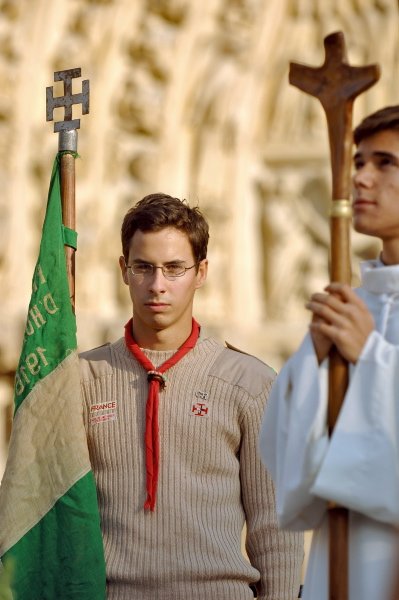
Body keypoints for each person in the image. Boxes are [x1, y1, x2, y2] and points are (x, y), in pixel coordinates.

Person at [79, 193, 303, 600]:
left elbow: (275, 527)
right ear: (123, 271)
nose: (157, 285)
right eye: (143, 267)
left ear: (201, 272)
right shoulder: (82, 379)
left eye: (174, 268)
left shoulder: (248, 381)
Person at [259, 104, 399, 599]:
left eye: (385, 163)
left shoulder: (360, 325)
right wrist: (312, 364)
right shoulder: (354, 304)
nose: (359, 177)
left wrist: (373, 358)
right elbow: (279, 454)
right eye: (358, 161)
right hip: (339, 554)